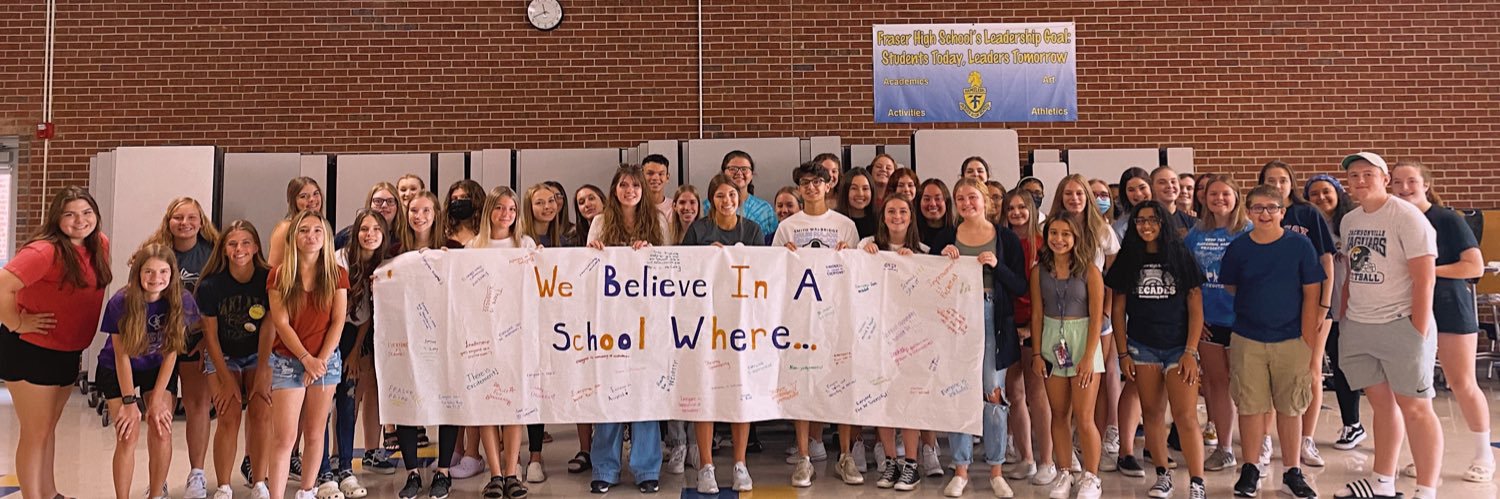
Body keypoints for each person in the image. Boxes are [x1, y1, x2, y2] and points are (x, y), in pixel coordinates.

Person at [1333, 152, 1443, 499]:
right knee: (1381, 405)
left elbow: (1425, 280)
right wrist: (1347, 317)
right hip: (1361, 325)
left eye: (1368, 174)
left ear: (1384, 178)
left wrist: (1417, 330)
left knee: (1416, 408)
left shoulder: (1407, 217)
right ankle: (1382, 482)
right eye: (1353, 176)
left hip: (1400, 324)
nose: (1360, 181)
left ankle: (1427, 489)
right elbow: (1350, 272)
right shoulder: (1350, 220)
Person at [0, 187, 113, 499]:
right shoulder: (44, 251)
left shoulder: (99, 245)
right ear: (56, 218)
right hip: (30, 350)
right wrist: (17, 322)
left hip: (66, 350)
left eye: (87, 213)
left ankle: (49, 494)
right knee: (35, 433)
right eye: (70, 214)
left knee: (47, 430)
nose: (80, 221)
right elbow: (2, 286)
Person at [1218, 184, 1324, 498]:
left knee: (1291, 407)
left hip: (1291, 339)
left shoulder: (1300, 245)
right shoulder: (1239, 248)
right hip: (1248, 338)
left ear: (1282, 212)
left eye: (1271, 208)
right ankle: (1250, 468)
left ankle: (1292, 471)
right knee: (1250, 405)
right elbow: (1232, 287)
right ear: (1248, 212)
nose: (1265, 214)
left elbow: (1312, 294)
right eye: (1258, 208)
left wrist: (1307, 342)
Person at [1391, 161, 1493, 483]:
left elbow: (1473, 266)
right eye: (1397, 182)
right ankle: (1425, 454)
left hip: (1449, 309)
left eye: (1411, 181)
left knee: (1462, 383)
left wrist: (1428, 272)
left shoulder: (1447, 218)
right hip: (1406, 311)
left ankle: (1484, 455)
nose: (1404, 187)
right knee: (1414, 388)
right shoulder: (1394, 221)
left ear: (1425, 184)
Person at [931, 177, 1027, 498]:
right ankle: (960, 468)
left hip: (992, 318)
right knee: (960, 392)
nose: (966, 203)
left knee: (993, 393)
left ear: (986, 200)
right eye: (960, 198)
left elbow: (1020, 286)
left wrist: (997, 267)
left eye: (972, 197)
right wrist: (940, 260)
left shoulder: (1006, 239)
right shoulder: (946, 236)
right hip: (956, 319)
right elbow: (927, 280)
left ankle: (996, 469)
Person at [1107, 200, 1209, 499]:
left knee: (1185, 416)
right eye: (1140, 221)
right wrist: (1123, 352)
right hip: (1142, 347)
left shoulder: (1180, 254)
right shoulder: (1129, 257)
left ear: (1163, 222)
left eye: (1152, 220)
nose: (1146, 226)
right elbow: (1118, 309)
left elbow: (1195, 307)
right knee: (1152, 414)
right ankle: (1162, 474)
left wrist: (1191, 351)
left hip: (1178, 348)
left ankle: (1197, 481)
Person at [773, 162, 862, 488]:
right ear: (799, 189)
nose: (811, 187)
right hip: (800, 318)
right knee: (801, 383)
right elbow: (774, 275)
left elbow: (859, 274)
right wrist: (785, 256)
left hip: (837, 318)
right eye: (805, 183)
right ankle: (804, 457)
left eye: (818, 182)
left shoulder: (845, 226)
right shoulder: (787, 228)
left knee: (841, 383)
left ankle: (845, 454)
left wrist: (847, 256)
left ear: (828, 186)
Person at [584, 164, 668, 494]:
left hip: (648, 320)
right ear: (614, 189)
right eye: (623, 185)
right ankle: (605, 467)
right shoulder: (601, 222)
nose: (630, 190)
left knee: (645, 394)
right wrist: (593, 254)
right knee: (610, 391)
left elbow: (670, 266)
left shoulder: (658, 221)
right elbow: (589, 270)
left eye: (635, 185)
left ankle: (647, 467)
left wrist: (650, 253)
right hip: (611, 320)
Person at [680, 173, 764, 494]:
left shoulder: (752, 230)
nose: (726, 201)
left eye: (731, 195)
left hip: (742, 322)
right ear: (711, 200)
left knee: (740, 390)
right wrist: (706, 259)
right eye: (719, 196)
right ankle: (706, 465)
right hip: (705, 322)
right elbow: (685, 272)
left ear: (739, 197)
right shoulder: (699, 229)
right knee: (706, 392)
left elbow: (764, 272)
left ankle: (740, 463)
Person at [99, 244, 197, 499]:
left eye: (163, 272)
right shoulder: (121, 301)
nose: (156, 279)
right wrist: (130, 401)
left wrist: (157, 399)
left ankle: (156, 494)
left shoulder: (182, 300)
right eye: (149, 272)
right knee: (127, 434)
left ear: (172, 273)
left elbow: (172, 353)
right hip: (118, 368)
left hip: (156, 367)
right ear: (138, 273)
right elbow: (121, 356)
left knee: (161, 427)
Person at [264, 210, 349, 499]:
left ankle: (306, 491)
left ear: (325, 237)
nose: (310, 236)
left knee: (315, 433)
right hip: (290, 361)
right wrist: (305, 359)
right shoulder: (279, 275)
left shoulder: (337, 275)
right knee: (285, 437)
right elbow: (281, 322)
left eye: (317, 231)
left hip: (326, 362)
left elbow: (338, 321)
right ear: (294, 237)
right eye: (303, 231)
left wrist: (320, 361)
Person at [140, 197, 221, 498]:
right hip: (156, 342)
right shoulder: (156, 252)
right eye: (178, 217)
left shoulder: (213, 255)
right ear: (168, 220)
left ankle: (196, 475)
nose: (184, 223)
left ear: (201, 221)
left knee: (198, 406)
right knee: (158, 410)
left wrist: (207, 341)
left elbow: (218, 301)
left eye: (191, 217)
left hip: (195, 340)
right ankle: (157, 479)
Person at [1258, 160, 1336, 467]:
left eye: (1283, 180)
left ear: (1292, 184)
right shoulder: (1258, 214)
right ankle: (1264, 439)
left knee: (1311, 371)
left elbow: (1327, 261)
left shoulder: (1308, 214)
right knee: (1270, 377)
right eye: (1270, 180)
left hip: (1312, 306)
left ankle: (1307, 439)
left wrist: (1324, 306)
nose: (1277, 185)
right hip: (1273, 309)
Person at [1048, 174, 1128, 476]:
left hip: (1095, 319)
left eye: (1079, 193)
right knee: (1063, 395)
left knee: (1094, 383)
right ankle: (1069, 458)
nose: (1074, 198)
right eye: (1068, 193)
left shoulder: (1103, 231)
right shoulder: (1054, 229)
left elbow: (1112, 278)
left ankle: (1094, 443)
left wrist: (1105, 312)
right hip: (1059, 324)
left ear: (1088, 197)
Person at [198, 220, 281, 499]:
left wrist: (264, 371)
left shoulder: (269, 278)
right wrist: (224, 378)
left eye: (246, 242)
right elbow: (210, 336)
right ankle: (223, 486)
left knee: (261, 412)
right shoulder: (211, 286)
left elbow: (270, 326)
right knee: (228, 414)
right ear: (223, 249)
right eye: (232, 243)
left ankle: (259, 482)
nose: (239, 249)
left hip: (259, 354)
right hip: (224, 355)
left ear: (256, 247)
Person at [391, 190, 462, 499]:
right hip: (406, 340)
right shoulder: (393, 252)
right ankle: (412, 473)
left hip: (445, 339)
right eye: (413, 210)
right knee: (407, 403)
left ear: (436, 214)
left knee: (446, 401)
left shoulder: (454, 249)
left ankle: (443, 471)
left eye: (425, 211)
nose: (418, 216)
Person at [858, 195, 931, 492]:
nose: (897, 216)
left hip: (912, 340)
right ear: (883, 216)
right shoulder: (866, 246)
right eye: (891, 211)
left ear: (911, 216)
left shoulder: (925, 252)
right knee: (882, 397)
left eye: (903, 211)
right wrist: (863, 255)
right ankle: (890, 460)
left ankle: (911, 462)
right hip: (875, 336)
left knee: (908, 398)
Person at [467, 187, 536, 499]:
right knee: (487, 408)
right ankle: (494, 474)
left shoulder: (524, 244)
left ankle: (511, 473)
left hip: (517, 336)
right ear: (489, 211)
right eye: (500, 208)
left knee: (513, 407)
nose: (506, 214)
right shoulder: (474, 247)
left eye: (511, 209)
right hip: (482, 337)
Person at [1030, 215, 1106, 499]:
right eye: (1053, 233)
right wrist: (1037, 352)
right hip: (1052, 341)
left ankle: (1091, 476)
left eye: (1065, 234)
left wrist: (1088, 356)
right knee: (1058, 413)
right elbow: (1037, 314)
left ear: (1076, 239)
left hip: (1082, 340)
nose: (1058, 239)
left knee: (1085, 417)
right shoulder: (1039, 272)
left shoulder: (1090, 271)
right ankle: (1065, 472)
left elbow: (1097, 318)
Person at [1184, 176, 1251, 474]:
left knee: (1249, 386)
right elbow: (1187, 280)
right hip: (1209, 322)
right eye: (1213, 194)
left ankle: (1258, 443)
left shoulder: (1249, 231)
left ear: (1236, 197)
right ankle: (1224, 447)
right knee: (1217, 384)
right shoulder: (1196, 235)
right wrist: (1195, 319)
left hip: (1245, 322)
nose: (1219, 199)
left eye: (1225, 194)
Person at [1304, 174, 1368, 452]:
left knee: (1345, 366)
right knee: (1327, 365)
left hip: (1352, 306)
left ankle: (1353, 423)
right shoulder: (1307, 226)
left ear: (1338, 193)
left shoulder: (1353, 222)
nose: (1320, 198)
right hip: (1321, 307)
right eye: (1314, 194)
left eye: (1326, 192)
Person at [998, 190, 1057, 486]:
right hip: (1008, 323)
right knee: (1014, 393)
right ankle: (1027, 458)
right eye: (1011, 207)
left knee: (1037, 394)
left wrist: (1034, 328)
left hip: (1037, 324)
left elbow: (1047, 289)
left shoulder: (1043, 243)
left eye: (1023, 207)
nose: (1017, 212)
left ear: (1033, 210)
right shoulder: (1003, 242)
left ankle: (1048, 460)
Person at [268, 177, 325, 265]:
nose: (312, 199)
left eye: (315, 194)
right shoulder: (285, 228)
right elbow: (274, 268)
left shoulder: (323, 226)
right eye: (303, 196)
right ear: (293, 201)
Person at [334, 182, 402, 249]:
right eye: (378, 201)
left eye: (390, 201)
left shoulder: (405, 237)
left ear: (397, 205)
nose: (384, 205)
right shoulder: (347, 236)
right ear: (369, 204)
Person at [1149, 166, 1196, 234]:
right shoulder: (1144, 220)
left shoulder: (1192, 222)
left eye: (1173, 182)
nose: (1170, 186)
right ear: (1152, 187)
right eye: (1162, 182)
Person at [837, 167, 878, 239]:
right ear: (845, 191)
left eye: (865, 188)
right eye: (854, 188)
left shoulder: (881, 220)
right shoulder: (835, 218)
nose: (860, 194)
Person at [918, 178, 956, 250]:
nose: (932, 204)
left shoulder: (957, 235)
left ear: (946, 202)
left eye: (938, 199)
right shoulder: (910, 234)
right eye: (927, 199)